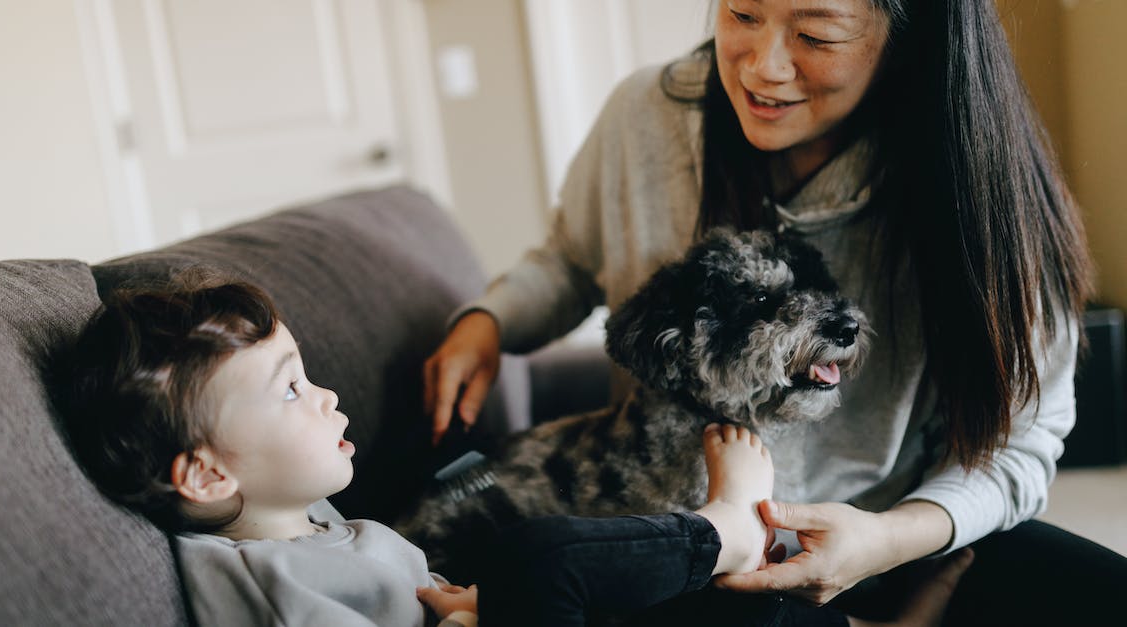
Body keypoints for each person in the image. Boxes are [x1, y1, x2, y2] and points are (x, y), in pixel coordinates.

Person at [424, 0, 1127, 623]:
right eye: (742, 15)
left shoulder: (982, 183)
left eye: (817, 36)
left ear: (912, 33)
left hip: (898, 531)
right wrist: (487, 323)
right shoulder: (646, 117)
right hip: (694, 543)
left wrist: (889, 538)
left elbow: (1022, 443)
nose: (763, 68)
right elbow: (570, 259)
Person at [55, 277, 970, 627]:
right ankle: (723, 524)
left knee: (711, 609)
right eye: (291, 388)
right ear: (210, 474)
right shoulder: (252, 578)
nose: (326, 392)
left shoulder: (310, 522)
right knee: (548, 548)